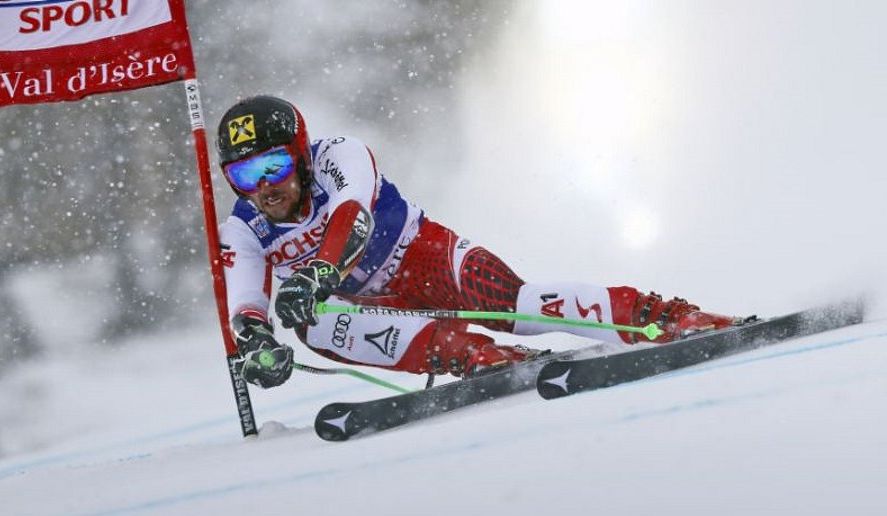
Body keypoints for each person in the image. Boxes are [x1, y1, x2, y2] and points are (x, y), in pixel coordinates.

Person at [216, 95, 737, 389]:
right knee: (313, 323)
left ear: (302, 156)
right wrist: (258, 345)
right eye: (243, 174)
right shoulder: (242, 225)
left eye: (274, 164)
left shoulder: (339, 155)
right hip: (373, 310)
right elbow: (245, 302)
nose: (263, 186)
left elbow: (354, 218)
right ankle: (477, 358)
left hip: (421, 258)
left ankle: (659, 316)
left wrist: (318, 273)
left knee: (518, 308)